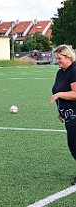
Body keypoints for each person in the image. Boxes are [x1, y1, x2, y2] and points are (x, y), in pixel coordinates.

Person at [48, 44, 76, 185]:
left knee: (75, 145)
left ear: (68, 56)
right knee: (73, 145)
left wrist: (59, 94)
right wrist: (60, 110)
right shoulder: (61, 72)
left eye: (59, 58)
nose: (57, 61)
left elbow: (75, 93)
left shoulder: (74, 71)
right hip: (69, 115)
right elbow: (58, 90)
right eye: (56, 58)